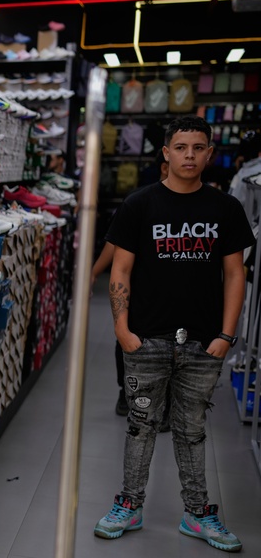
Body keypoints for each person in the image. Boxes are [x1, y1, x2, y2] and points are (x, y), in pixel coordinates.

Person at [96, 115, 253, 552]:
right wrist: (123, 330)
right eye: (181, 147)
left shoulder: (226, 208)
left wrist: (226, 335)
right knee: (141, 427)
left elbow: (235, 274)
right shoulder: (140, 205)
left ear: (209, 153)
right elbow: (121, 269)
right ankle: (129, 504)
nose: (189, 155)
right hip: (146, 338)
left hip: (204, 341)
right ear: (166, 153)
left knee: (192, 429)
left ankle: (198, 514)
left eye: (198, 147)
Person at [92, 153, 170, 416]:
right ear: (164, 165)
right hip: (138, 286)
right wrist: (94, 272)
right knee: (126, 335)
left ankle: (163, 399)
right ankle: (126, 392)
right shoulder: (138, 203)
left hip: (170, 291)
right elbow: (114, 244)